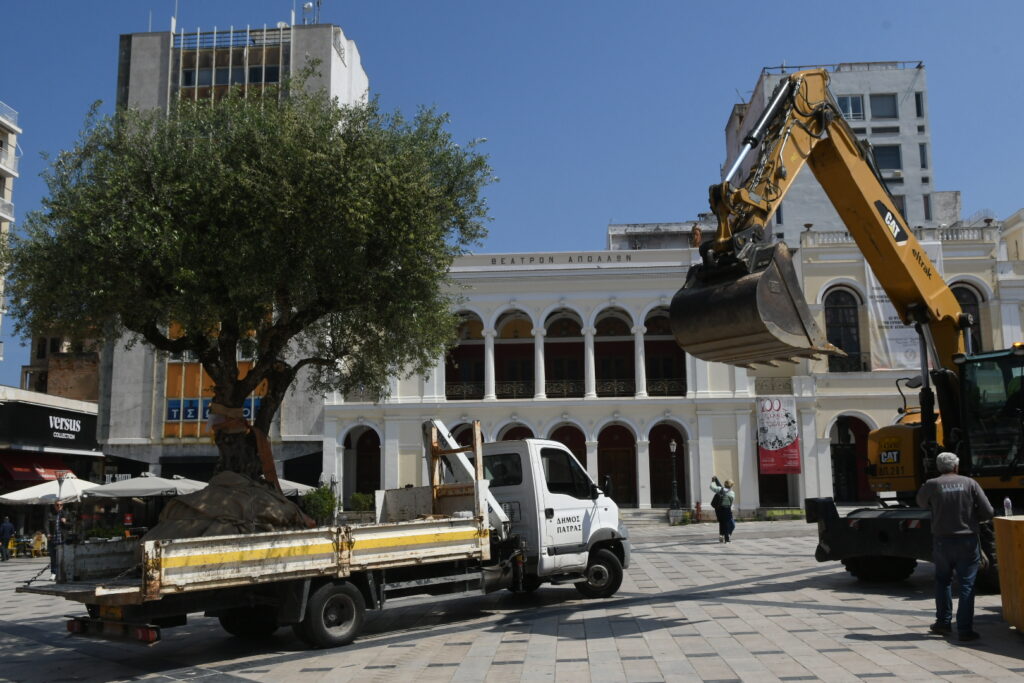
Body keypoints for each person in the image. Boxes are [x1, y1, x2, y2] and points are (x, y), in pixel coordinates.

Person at [916, 451, 994, 642]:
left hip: (942, 540)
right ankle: (965, 630)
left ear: (939, 467)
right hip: (967, 540)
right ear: (956, 467)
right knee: (967, 583)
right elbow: (988, 511)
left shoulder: (932, 484)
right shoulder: (969, 483)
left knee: (943, 581)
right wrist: (976, 519)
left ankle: (943, 622)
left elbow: (920, 503)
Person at [709, 476, 736, 543]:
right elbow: (731, 501)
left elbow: (711, 487)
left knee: (722, 522)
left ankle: (722, 535)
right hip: (726, 509)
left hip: (718, 509)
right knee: (730, 524)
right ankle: (727, 537)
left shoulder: (719, 489)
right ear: (731, 485)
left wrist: (713, 481)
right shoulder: (732, 493)